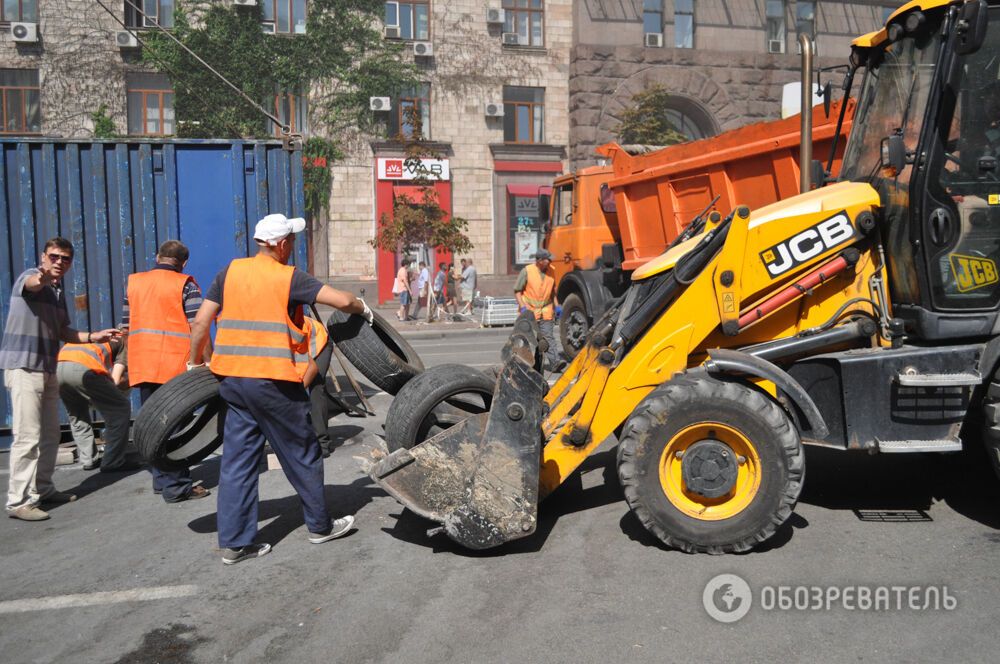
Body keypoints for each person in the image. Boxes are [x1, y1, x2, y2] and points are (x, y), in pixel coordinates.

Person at [189, 213, 372, 565]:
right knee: (302, 453)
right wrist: (362, 307)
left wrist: (196, 363)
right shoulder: (289, 277)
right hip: (273, 383)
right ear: (282, 244)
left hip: (232, 382)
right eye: (292, 240)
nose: (293, 246)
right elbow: (340, 300)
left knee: (238, 463)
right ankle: (320, 527)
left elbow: (200, 322)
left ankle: (236, 544)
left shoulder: (229, 273)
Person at [0, 237, 119, 521]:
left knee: (50, 434)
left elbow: (63, 331)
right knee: (27, 437)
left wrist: (93, 337)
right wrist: (41, 276)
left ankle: (43, 489)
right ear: (43, 257)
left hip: (47, 367)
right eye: (54, 257)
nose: (59, 262)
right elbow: (33, 285)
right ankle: (18, 502)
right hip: (24, 367)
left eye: (65, 259)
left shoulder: (56, 291)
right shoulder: (30, 278)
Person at [123, 240, 210, 503]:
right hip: (173, 365)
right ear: (183, 262)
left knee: (154, 426)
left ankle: (162, 481)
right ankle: (177, 487)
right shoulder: (185, 284)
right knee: (175, 428)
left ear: (158, 256)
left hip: (143, 364)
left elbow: (125, 326)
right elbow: (198, 326)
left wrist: (125, 365)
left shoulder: (134, 283)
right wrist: (208, 361)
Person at [57, 338, 139, 472]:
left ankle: (88, 460)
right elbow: (116, 381)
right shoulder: (123, 343)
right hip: (82, 369)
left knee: (77, 414)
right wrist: (134, 378)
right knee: (120, 408)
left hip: (58, 369)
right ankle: (113, 461)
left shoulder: (97, 338)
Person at [514, 249, 566, 373]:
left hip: (546, 310)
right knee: (530, 340)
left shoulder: (552, 270)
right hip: (530, 311)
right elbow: (517, 291)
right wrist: (522, 306)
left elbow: (553, 292)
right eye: (547, 259)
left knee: (548, 337)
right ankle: (528, 366)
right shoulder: (527, 271)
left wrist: (557, 306)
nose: (550, 261)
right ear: (539, 261)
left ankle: (555, 363)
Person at [393, 257, 413, 321]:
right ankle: (401, 317)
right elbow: (405, 281)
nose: (409, 266)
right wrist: (410, 290)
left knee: (407, 304)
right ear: (406, 264)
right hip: (403, 289)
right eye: (408, 264)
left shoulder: (403, 270)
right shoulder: (403, 271)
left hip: (404, 289)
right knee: (403, 304)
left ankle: (405, 317)